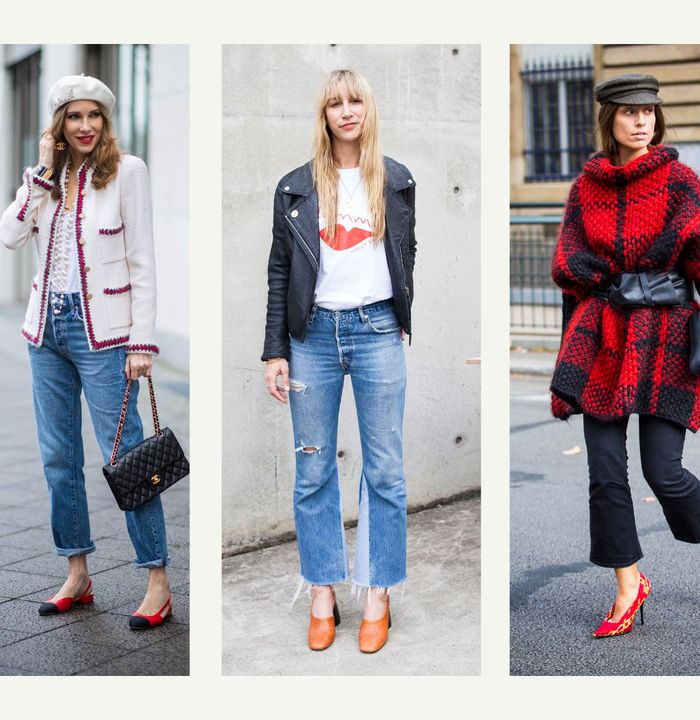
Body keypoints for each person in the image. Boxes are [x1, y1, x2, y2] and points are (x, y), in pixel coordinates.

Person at [549, 74, 700, 637]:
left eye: (650, 113)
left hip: (665, 333)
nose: (642, 122)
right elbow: (573, 277)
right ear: (609, 118)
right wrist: (570, 362)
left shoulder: (680, 181)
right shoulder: (585, 188)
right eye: (631, 112)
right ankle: (628, 585)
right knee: (605, 472)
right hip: (604, 334)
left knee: (664, 471)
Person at [1, 75, 173, 629]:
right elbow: (10, 235)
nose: (84, 126)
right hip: (46, 329)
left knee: (127, 456)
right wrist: (40, 178)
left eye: (93, 116)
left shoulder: (129, 171)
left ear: (105, 121)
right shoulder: (47, 181)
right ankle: (76, 571)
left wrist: (142, 341)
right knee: (58, 458)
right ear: (58, 125)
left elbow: (142, 260)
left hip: (104, 335)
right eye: (73, 117)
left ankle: (157, 579)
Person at [261, 68, 417, 654]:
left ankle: (377, 593)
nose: (346, 111)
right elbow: (280, 270)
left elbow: (407, 250)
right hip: (312, 337)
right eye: (335, 103)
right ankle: (323, 592)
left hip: (376, 328)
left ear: (368, 109)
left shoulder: (396, 180)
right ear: (323, 115)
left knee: (384, 469)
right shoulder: (295, 187)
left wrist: (403, 312)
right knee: (313, 470)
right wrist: (275, 350)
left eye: (355, 101)